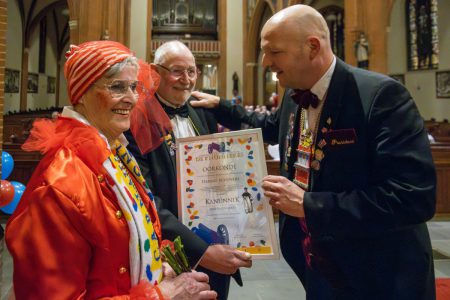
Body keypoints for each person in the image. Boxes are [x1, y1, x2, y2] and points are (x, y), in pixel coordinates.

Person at [191, 4, 436, 300]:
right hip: (320, 266)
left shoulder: (381, 96)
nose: (266, 62)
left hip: (378, 273)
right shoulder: (295, 94)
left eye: (274, 52)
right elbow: (269, 125)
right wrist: (221, 106)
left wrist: (309, 204)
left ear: (312, 46)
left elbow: (413, 198)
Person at [5, 40, 217, 300]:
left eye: (133, 87)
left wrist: (155, 266)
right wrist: (161, 296)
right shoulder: (60, 182)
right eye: (117, 87)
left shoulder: (114, 150)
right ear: (82, 93)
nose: (131, 99)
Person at [125, 40, 252, 300]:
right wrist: (201, 250)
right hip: (171, 251)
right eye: (177, 71)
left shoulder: (203, 111)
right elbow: (146, 198)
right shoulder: (136, 120)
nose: (186, 79)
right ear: (154, 71)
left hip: (217, 241)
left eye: (192, 71)